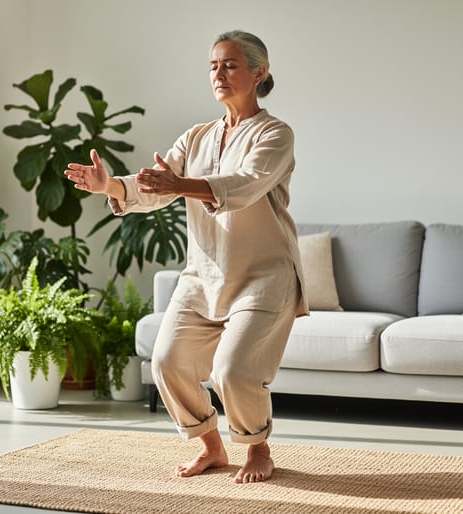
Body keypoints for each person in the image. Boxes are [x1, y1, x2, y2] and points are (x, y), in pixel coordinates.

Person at [64, 30, 308, 484]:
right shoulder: (196, 136)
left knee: (233, 371)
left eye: (231, 64)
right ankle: (212, 448)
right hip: (203, 273)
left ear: (260, 72)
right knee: (166, 363)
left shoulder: (276, 133)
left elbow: (244, 184)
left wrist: (179, 186)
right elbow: (156, 185)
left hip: (264, 275)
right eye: (213, 65)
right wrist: (111, 186)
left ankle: (257, 448)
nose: (219, 73)